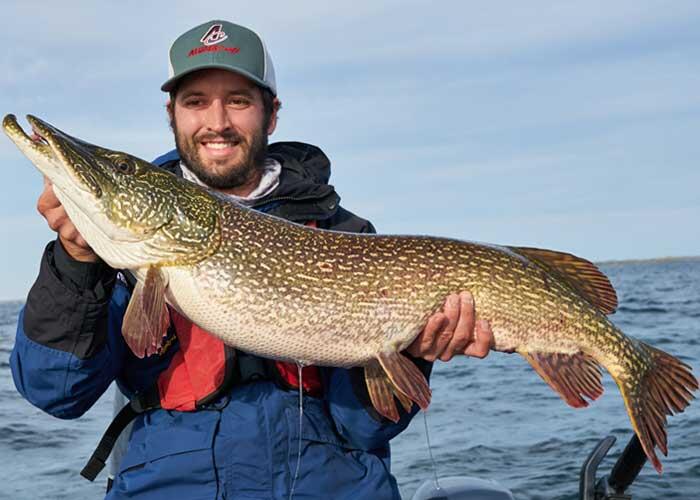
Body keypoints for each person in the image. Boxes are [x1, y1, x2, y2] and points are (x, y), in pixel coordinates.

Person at [10, 20, 493, 499]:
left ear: (271, 113)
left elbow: (368, 429)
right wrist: (75, 262)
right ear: (172, 114)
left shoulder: (345, 236)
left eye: (237, 101)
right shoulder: (120, 256)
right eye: (195, 102)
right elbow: (57, 394)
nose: (216, 122)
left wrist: (411, 348)